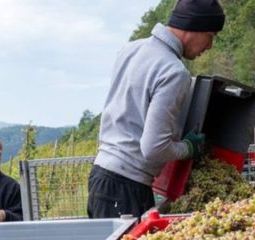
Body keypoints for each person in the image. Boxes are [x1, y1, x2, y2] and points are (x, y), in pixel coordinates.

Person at [87, 0, 225, 218]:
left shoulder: (130, 50)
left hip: (101, 177)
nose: (209, 46)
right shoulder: (173, 71)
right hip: (127, 186)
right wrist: (189, 147)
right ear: (195, 27)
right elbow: (153, 148)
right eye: (211, 35)